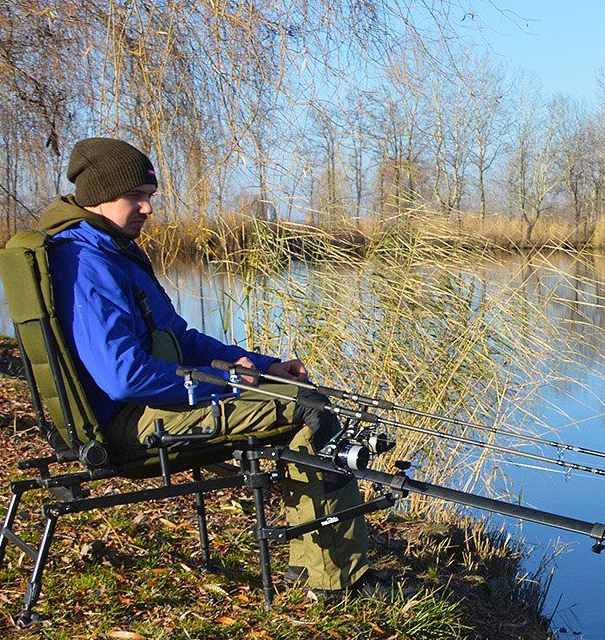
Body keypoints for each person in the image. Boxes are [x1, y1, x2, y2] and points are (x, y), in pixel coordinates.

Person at [40, 136, 372, 595]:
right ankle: (338, 582)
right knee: (309, 410)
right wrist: (229, 382)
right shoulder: (85, 263)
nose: (147, 209)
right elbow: (124, 377)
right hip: (127, 424)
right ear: (99, 197)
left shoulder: (113, 251)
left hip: (152, 404)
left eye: (149, 197)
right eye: (135, 197)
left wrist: (265, 366)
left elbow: (181, 339)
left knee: (302, 401)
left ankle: (315, 568)